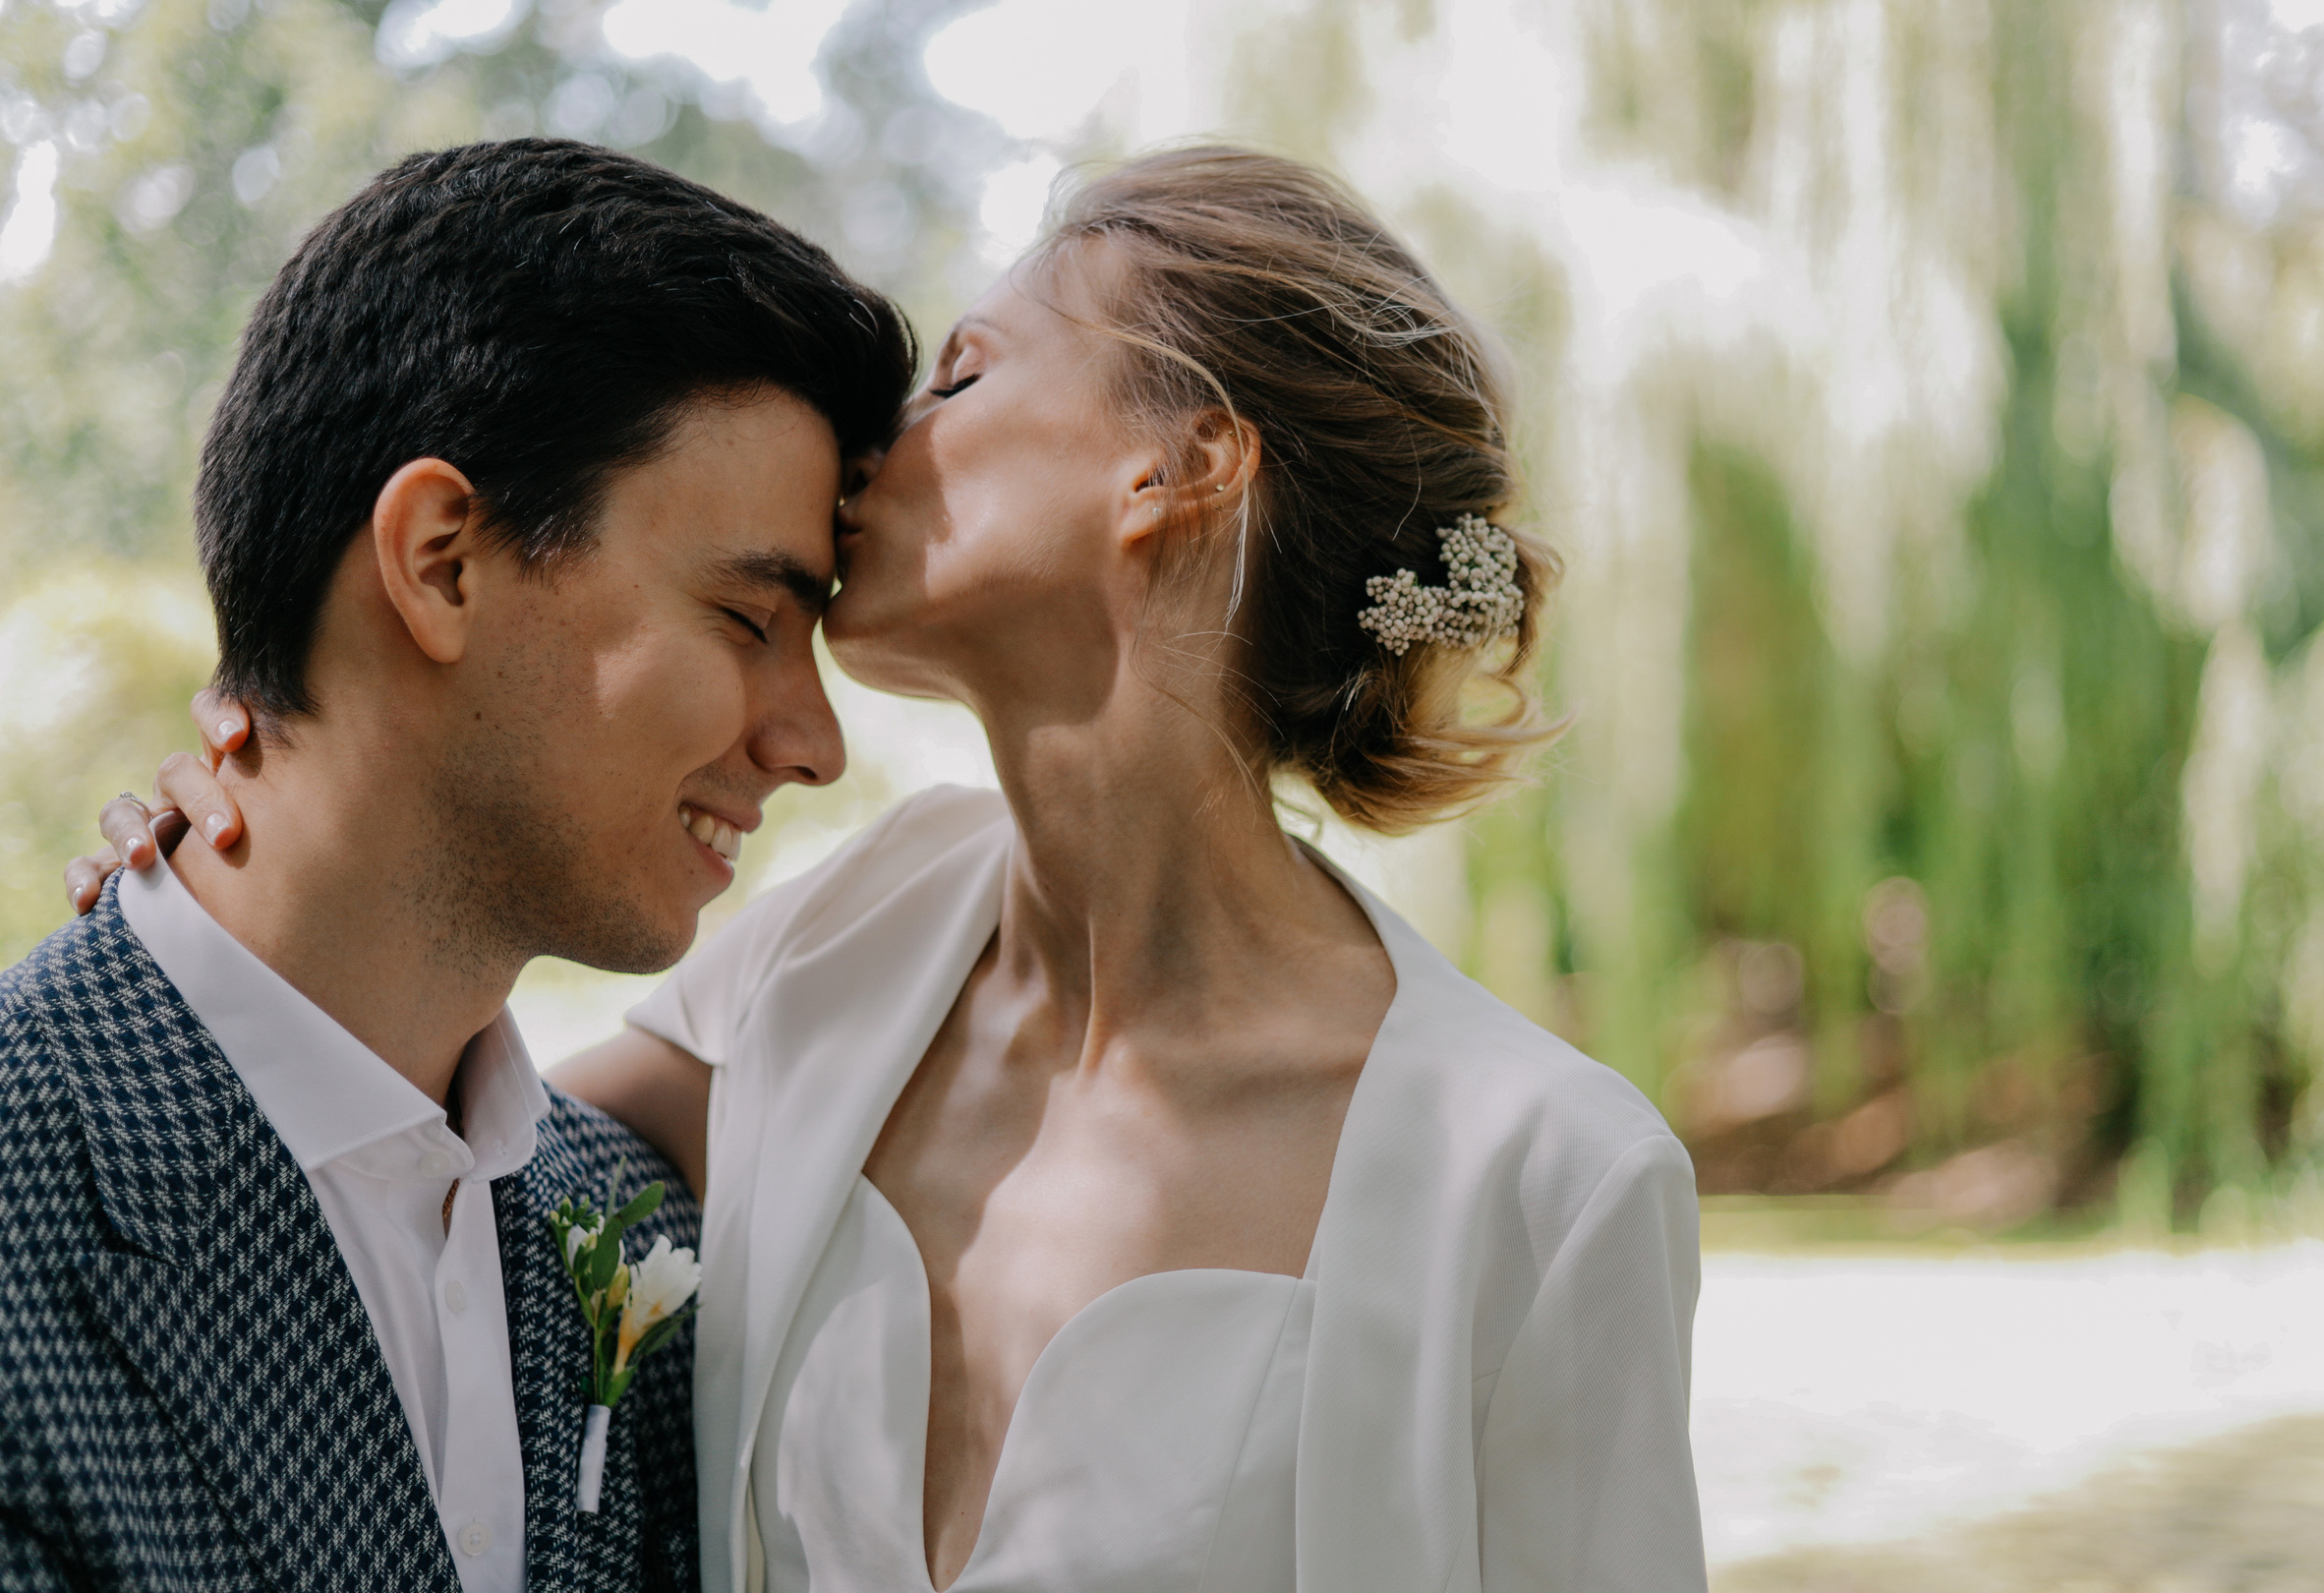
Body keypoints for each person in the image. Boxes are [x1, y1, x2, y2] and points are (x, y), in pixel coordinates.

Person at [75, 147, 1707, 1592]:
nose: (877, 448)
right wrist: (253, 837)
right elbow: (427, 1169)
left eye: (965, 375)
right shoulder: (857, 938)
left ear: (1178, 469)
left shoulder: (1546, 1184)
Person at [12, 138, 914, 1592]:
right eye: (749, 620)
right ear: (442, 560)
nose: (814, 745)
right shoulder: (34, 1184)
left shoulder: (635, 1220)